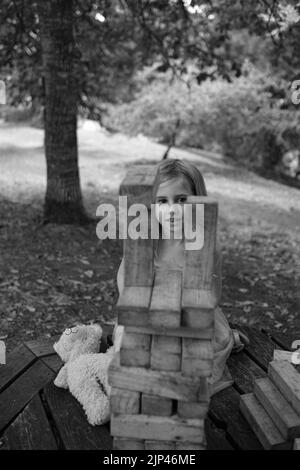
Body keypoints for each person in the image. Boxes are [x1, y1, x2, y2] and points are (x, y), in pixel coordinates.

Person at [113, 158, 248, 396]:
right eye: (162, 201)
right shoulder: (144, 239)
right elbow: (125, 277)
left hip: (190, 320)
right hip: (147, 315)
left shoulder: (205, 246)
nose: (173, 210)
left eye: (182, 200)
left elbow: (212, 296)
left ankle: (226, 342)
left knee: (186, 368)